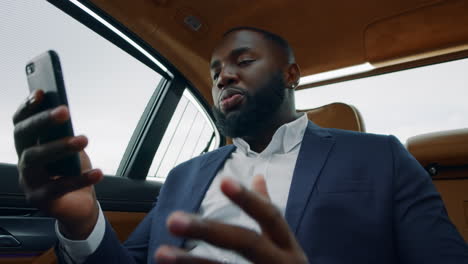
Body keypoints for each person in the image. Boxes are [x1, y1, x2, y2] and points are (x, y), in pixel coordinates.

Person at [13, 27, 468, 264]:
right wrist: (83, 222)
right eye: (213, 73)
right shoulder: (183, 176)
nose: (223, 76)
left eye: (243, 61)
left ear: (291, 74)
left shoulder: (380, 157)